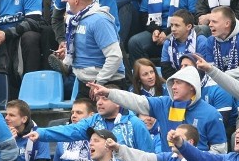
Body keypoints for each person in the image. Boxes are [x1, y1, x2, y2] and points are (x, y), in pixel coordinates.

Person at [88, 65, 228, 153]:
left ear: (192, 86)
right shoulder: (164, 104)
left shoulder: (211, 113)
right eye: (173, 83)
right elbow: (137, 101)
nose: (173, 87)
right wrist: (109, 93)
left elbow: (219, 150)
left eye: (178, 83)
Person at [207, 6, 239, 76]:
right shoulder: (210, 41)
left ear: (227, 24)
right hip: (217, 81)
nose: (210, 25)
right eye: (210, 21)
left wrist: (221, 76)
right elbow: (209, 69)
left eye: (214, 22)